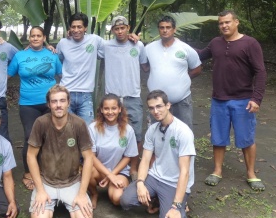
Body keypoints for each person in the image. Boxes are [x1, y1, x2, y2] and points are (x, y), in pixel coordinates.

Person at [197, 10, 267, 191]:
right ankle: (217, 171)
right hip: (219, 99)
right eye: (221, 23)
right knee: (218, 138)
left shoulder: (250, 43)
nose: (224, 26)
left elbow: (260, 72)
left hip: (243, 100)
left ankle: (251, 173)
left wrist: (256, 98)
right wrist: (176, 44)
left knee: (246, 138)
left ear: (237, 22)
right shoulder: (215, 43)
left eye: (227, 22)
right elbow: (199, 55)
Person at [120, 90, 195, 218]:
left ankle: (180, 208)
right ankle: (158, 201)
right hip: (154, 177)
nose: (156, 111)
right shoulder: (152, 130)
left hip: (174, 183)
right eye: (152, 108)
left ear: (168, 105)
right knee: (125, 200)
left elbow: (185, 172)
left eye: (159, 106)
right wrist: (140, 182)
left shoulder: (183, 132)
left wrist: (176, 206)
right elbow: (146, 159)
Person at [27, 85, 94, 218]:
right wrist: (40, 190)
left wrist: (82, 193)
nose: (58, 105)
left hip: (72, 181)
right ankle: (48, 203)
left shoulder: (79, 124)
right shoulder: (41, 123)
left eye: (62, 101)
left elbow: (88, 158)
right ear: (49, 104)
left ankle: (72, 201)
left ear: (68, 103)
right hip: (46, 182)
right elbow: (31, 156)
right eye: (54, 101)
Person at [7, 26, 62, 190]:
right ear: (29, 38)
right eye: (33, 36)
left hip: (50, 104)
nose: (35, 38)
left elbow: (61, 75)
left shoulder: (52, 55)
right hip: (28, 103)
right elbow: (7, 74)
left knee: (52, 137)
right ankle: (28, 172)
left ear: (44, 37)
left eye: (39, 35)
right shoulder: (20, 55)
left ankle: (50, 170)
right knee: (30, 136)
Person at [98, 15, 147, 177]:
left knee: (136, 134)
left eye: (123, 28)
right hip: (113, 98)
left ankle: (133, 168)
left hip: (132, 95)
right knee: (112, 133)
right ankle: (113, 166)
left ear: (128, 27)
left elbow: (145, 65)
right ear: (112, 30)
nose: (120, 31)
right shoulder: (105, 46)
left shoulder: (138, 45)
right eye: (116, 28)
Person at [143, 15, 202, 129]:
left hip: (181, 101)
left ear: (174, 29)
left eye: (168, 27)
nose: (165, 30)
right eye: (162, 27)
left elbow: (197, 68)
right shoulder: (149, 48)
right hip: (156, 102)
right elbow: (144, 65)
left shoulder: (185, 48)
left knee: (184, 132)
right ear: (158, 29)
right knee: (157, 133)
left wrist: (183, 78)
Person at [88, 94, 138, 208]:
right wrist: (109, 175)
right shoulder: (93, 128)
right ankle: (94, 194)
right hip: (100, 171)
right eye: (106, 108)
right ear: (101, 110)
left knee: (116, 199)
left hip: (119, 172)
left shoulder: (128, 130)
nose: (110, 112)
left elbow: (127, 157)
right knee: (88, 169)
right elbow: (91, 156)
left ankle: (114, 189)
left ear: (120, 109)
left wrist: (113, 175)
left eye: (114, 108)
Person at [56, 12, 104, 124]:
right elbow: (56, 59)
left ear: (85, 28)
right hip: (66, 92)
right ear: (69, 28)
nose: (76, 30)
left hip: (86, 95)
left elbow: (112, 47)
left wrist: (130, 36)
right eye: (73, 27)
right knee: (67, 130)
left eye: (79, 27)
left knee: (87, 131)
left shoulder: (94, 40)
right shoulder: (63, 43)